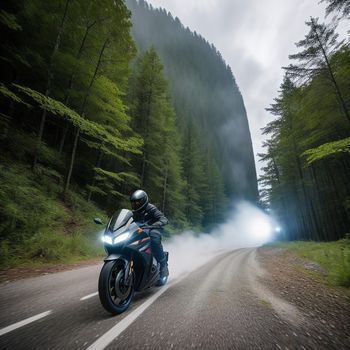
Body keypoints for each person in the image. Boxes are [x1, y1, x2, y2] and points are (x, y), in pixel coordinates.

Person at [130, 189, 169, 279]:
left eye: (138, 202)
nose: (136, 204)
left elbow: (163, 219)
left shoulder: (151, 208)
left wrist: (154, 225)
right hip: (141, 230)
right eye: (134, 203)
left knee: (154, 239)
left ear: (144, 201)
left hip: (153, 229)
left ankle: (163, 266)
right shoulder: (133, 212)